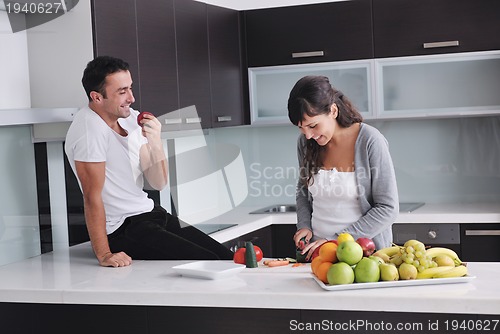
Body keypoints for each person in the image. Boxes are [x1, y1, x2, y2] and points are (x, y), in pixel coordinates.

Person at [65, 56, 233, 267]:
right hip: (122, 228)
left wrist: (155, 142)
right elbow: (91, 198)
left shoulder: (128, 117)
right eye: (122, 91)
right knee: (211, 263)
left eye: (130, 88)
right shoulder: (90, 132)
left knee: (227, 259)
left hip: (151, 213)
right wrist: (105, 254)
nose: (132, 98)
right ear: (97, 97)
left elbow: (158, 182)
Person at [288, 75, 399, 260]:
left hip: (365, 257)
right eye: (301, 128)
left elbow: (387, 208)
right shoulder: (306, 143)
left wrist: (335, 241)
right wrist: (304, 225)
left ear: (333, 111)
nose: (307, 135)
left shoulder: (370, 141)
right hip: (317, 255)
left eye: (313, 126)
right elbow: (303, 191)